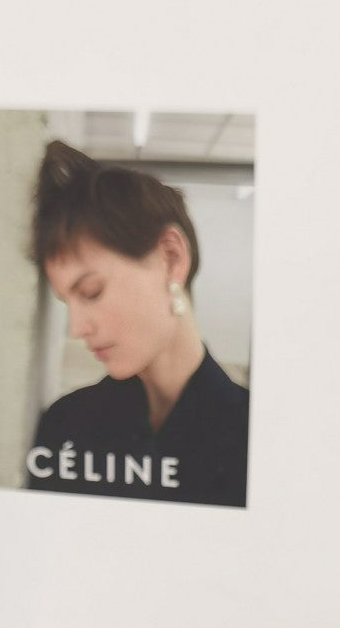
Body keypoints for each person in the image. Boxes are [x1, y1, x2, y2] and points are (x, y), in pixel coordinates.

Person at [24, 140, 249, 508]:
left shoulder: (259, 437)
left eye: (92, 292)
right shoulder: (64, 428)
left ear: (171, 258)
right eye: (67, 302)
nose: (77, 328)